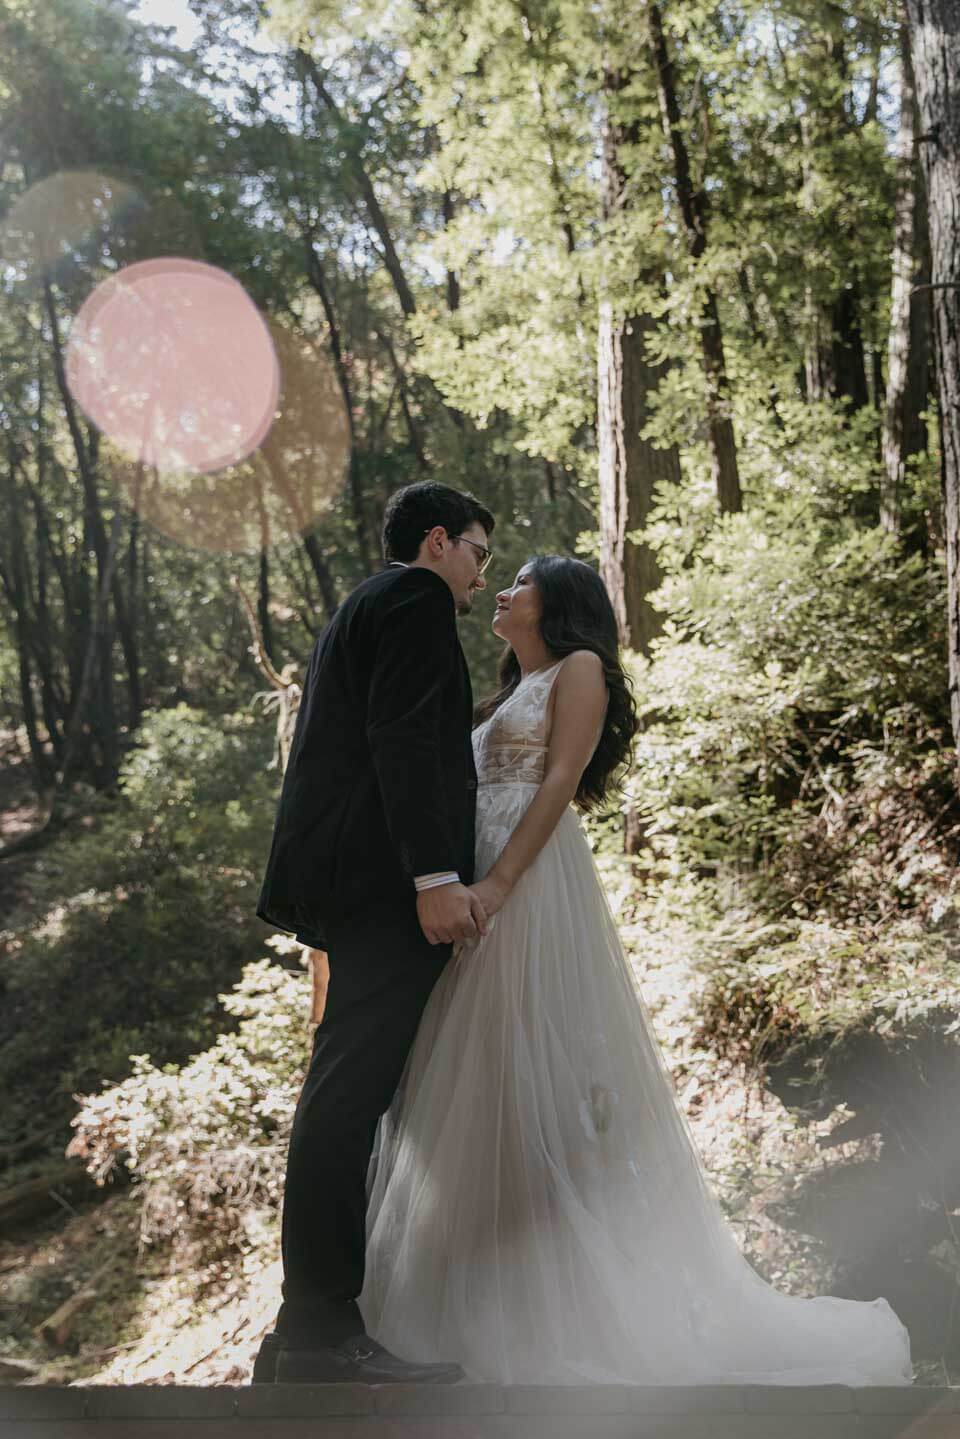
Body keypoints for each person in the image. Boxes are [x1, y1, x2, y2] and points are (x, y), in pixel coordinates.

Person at [357, 554, 915, 1387]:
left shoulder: (579, 667)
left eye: (520, 582)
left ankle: (551, 1311)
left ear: (559, 603)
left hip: (526, 881)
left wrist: (500, 883)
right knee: (473, 1088)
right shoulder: (508, 690)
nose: (502, 591)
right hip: (473, 876)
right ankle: (475, 1300)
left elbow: (560, 780)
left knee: (525, 1076)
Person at [252, 481, 495, 1385]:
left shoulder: (367, 603)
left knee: (343, 1091)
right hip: (382, 886)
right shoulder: (414, 600)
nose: (480, 576)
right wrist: (433, 876)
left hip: (348, 878)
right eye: (477, 553)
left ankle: (302, 1327)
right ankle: (318, 1331)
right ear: (437, 542)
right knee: (347, 1094)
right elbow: (404, 739)